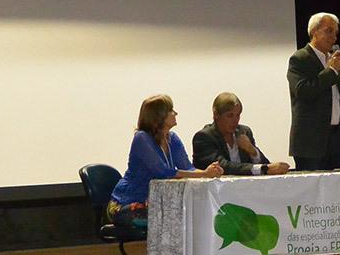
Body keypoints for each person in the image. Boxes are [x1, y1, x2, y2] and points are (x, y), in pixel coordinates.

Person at [108, 94, 223, 227]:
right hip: (125, 204)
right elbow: (163, 172)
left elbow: (187, 168)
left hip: (155, 203)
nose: (176, 113)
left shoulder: (172, 138)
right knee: (170, 217)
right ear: (159, 116)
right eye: (171, 110)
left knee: (187, 214)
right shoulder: (142, 138)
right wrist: (203, 174)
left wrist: (210, 173)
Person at [287, 12, 340, 171]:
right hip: (311, 142)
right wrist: (332, 71)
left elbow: (337, 99)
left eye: (336, 33)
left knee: (338, 184)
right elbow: (303, 91)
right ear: (314, 31)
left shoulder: (332, 59)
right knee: (313, 185)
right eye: (329, 31)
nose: (334, 37)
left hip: (336, 138)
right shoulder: (300, 59)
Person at [193, 92, 290, 176]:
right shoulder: (203, 137)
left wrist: (253, 152)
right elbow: (223, 167)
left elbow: (267, 166)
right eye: (230, 116)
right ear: (216, 115)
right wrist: (262, 169)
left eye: (238, 115)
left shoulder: (244, 132)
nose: (235, 120)